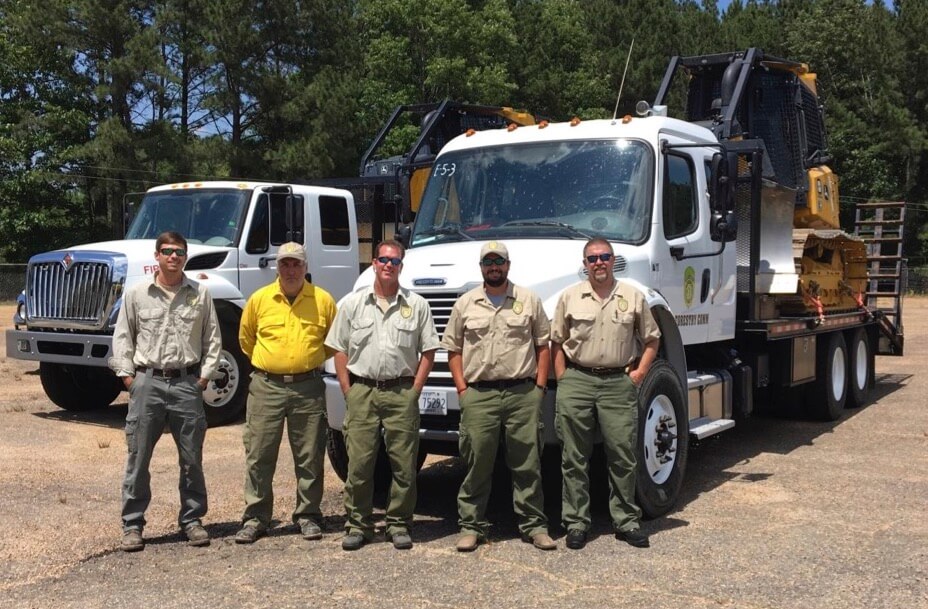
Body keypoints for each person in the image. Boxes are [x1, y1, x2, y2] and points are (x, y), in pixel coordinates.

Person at [109, 231, 222, 552]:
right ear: (157, 255)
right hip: (147, 385)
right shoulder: (137, 294)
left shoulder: (200, 294)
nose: (174, 257)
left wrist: (203, 379)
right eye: (167, 251)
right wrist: (128, 378)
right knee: (138, 456)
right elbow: (122, 337)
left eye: (179, 252)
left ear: (185, 257)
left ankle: (192, 519)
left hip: (187, 384)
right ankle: (132, 524)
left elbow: (212, 340)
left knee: (192, 459)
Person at [442, 241, 556, 552]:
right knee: (477, 462)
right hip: (480, 395)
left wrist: (539, 388)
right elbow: (454, 349)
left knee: (527, 463)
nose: (494, 266)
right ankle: (471, 526)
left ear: (508, 265)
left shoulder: (528, 300)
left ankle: (534, 525)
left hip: (522, 394)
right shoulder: (466, 304)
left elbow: (542, 346)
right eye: (488, 262)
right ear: (481, 267)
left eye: (499, 261)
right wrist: (463, 390)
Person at [326, 239, 440, 551]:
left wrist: (415, 388)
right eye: (383, 260)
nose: (388, 265)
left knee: (403, 464)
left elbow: (428, 350)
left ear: (401, 266)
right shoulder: (352, 304)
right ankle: (358, 525)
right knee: (359, 464)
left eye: (395, 261)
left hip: (401, 392)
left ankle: (399, 523)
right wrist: (348, 389)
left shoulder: (416, 305)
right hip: (362, 390)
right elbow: (338, 348)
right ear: (373, 264)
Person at [551, 238, 660, 550]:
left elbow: (652, 339)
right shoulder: (570, 297)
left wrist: (639, 374)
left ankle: (626, 521)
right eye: (592, 258)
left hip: (618, 383)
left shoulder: (632, 296)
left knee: (623, 456)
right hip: (578, 382)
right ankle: (576, 523)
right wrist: (563, 378)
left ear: (614, 261)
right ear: (585, 264)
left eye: (604, 257)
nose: (598, 262)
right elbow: (556, 341)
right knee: (574, 457)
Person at [234, 242, 337, 544]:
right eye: (285, 264)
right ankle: (255, 518)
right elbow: (246, 339)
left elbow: (333, 340)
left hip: (308, 387)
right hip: (266, 386)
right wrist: (272, 364)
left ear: (306, 267)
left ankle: (308, 516)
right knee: (259, 454)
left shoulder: (323, 301)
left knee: (309, 455)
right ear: (277, 268)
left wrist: (307, 362)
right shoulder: (260, 299)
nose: (291, 270)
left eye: (296, 264)